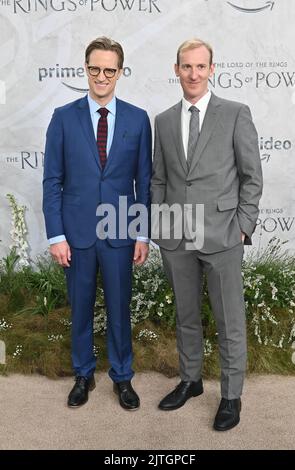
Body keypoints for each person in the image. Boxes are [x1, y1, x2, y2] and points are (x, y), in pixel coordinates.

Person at [151, 39, 263, 430]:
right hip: (176, 238)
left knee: (229, 319)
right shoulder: (163, 121)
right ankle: (191, 380)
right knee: (186, 316)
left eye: (201, 66)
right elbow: (159, 178)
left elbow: (251, 177)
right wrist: (160, 227)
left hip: (223, 236)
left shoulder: (234, 114)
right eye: (186, 67)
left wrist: (244, 226)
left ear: (212, 69)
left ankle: (231, 396)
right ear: (176, 69)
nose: (193, 74)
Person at [43, 37, 152, 410]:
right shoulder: (63, 117)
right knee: (81, 307)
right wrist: (56, 234)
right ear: (85, 69)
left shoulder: (139, 119)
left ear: (120, 72)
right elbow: (52, 181)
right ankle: (83, 374)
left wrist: (142, 232)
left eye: (109, 70)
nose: (101, 76)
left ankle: (122, 377)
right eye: (94, 69)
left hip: (121, 230)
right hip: (76, 234)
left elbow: (144, 181)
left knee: (120, 308)